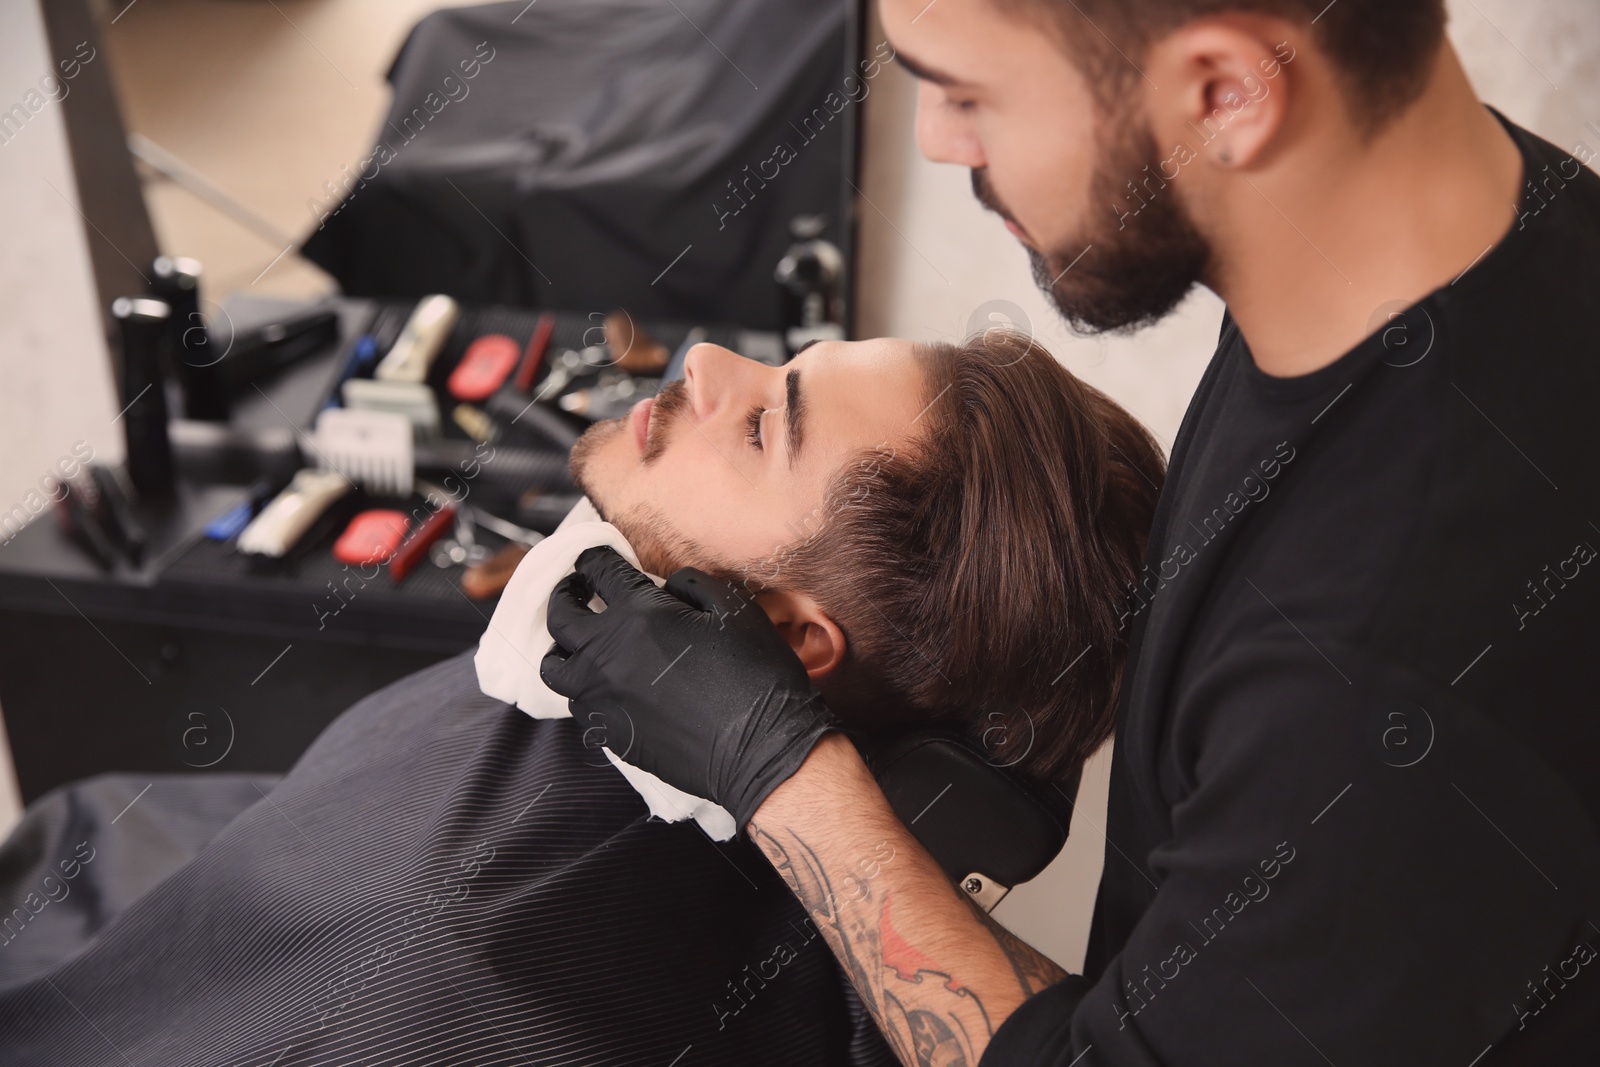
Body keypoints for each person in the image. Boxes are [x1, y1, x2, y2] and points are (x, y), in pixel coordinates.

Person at [539, 1, 1600, 1064]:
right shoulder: (1473, 246)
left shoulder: (1386, 666)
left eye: (966, 92)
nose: (937, 139)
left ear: (1224, 93)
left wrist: (777, 766)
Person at [0, 334, 1162, 1065]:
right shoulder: (557, 737)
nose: (704, 359)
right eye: (783, 360)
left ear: (790, 641)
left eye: (765, 425)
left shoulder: (464, 962)